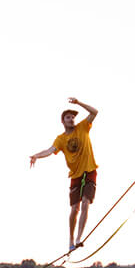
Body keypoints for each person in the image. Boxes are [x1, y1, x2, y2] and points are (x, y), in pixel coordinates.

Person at [29, 97, 99, 251]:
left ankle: (80, 237)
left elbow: (95, 112)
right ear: (63, 121)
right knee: (75, 208)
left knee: (86, 203)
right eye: (68, 117)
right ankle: (71, 240)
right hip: (75, 175)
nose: (72, 119)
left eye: (73, 117)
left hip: (89, 170)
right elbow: (49, 150)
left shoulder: (83, 127)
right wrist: (36, 156)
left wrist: (79, 103)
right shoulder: (61, 139)